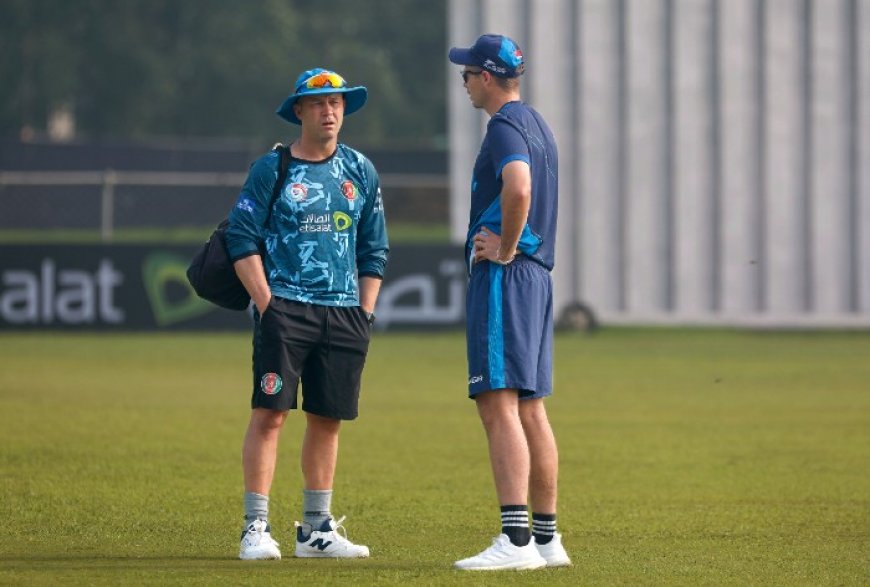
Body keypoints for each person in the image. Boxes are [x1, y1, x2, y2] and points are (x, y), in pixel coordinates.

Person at [224, 67, 388, 560]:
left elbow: (374, 248)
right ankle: (256, 527)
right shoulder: (271, 169)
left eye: (337, 103)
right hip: (286, 309)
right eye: (318, 104)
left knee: (327, 418)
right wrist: (268, 303)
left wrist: (365, 312)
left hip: (343, 314)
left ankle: (316, 531)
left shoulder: (361, 169)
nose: (329, 111)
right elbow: (240, 237)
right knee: (270, 415)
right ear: (299, 111)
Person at [448, 34, 571, 571]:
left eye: (469, 75)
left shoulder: (503, 126)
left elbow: (517, 186)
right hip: (537, 279)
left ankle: (516, 541)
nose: (466, 84)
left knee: (497, 403)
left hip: (508, 275)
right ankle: (546, 540)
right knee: (530, 408)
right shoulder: (538, 123)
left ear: (489, 78)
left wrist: (506, 247)